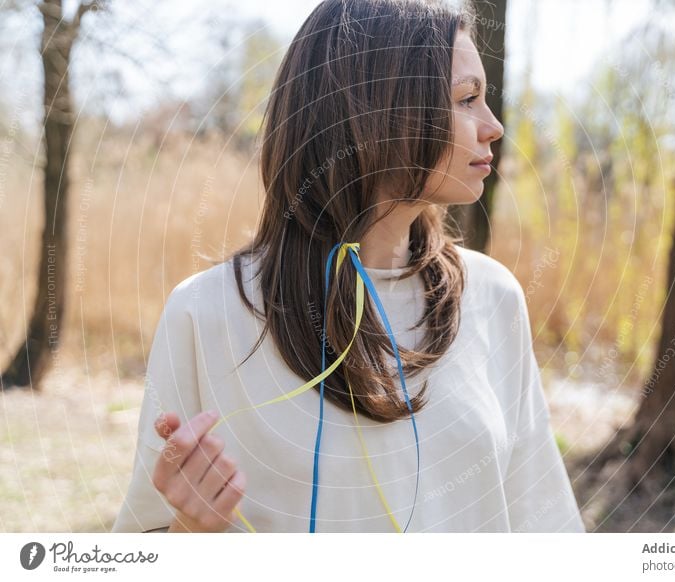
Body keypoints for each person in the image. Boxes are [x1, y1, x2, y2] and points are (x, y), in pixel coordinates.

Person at [111, 0, 585, 533]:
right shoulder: (204, 312)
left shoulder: (494, 296)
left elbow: (543, 523)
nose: (493, 127)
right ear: (374, 112)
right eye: (467, 99)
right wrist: (192, 532)